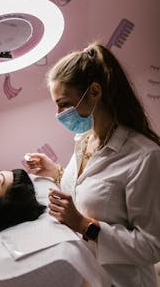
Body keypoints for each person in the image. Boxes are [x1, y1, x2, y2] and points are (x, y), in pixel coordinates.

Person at [25, 42, 160, 287]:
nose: (58, 113)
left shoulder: (144, 156)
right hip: (85, 275)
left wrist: (83, 225)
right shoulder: (86, 139)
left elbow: (152, 246)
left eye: (64, 103)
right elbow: (93, 189)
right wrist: (55, 172)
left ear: (95, 92)